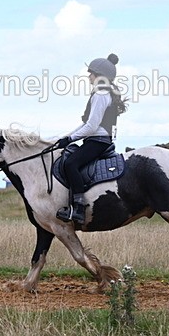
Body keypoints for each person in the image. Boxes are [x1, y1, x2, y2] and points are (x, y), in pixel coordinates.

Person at [55, 53, 128, 225]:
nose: (89, 76)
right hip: (98, 139)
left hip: (98, 140)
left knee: (70, 164)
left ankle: (79, 209)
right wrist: (64, 138)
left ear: (99, 76)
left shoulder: (101, 94)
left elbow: (92, 126)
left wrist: (70, 139)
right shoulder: (102, 93)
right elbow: (86, 125)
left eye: (91, 73)